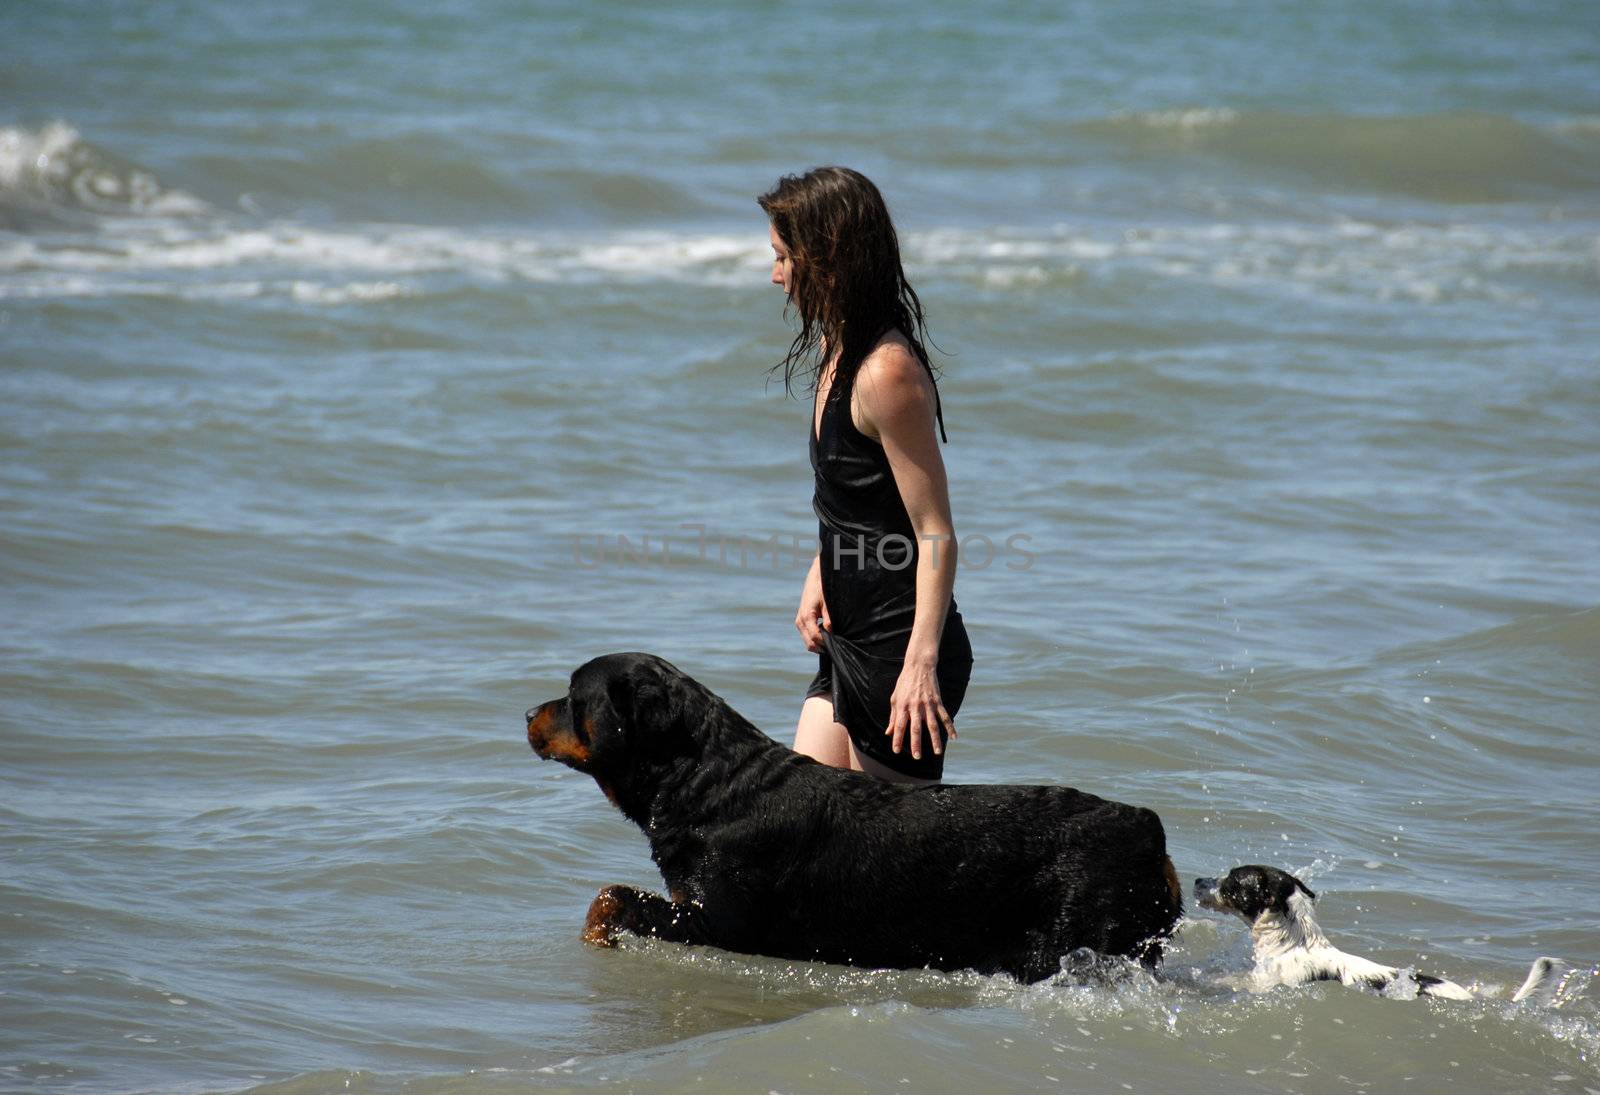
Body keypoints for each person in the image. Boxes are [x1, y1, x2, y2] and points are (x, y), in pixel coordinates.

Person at [759, 166, 973, 785]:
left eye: (782, 256)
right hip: (848, 635)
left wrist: (920, 665)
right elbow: (856, 497)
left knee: (889, 873)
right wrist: (818, 570)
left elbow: (934, 529)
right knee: (805, 841)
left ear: (825, 258)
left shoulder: (886, 372)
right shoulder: (838, 348)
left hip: (897, 649)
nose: (774, 273)